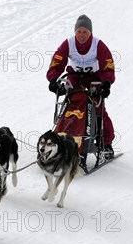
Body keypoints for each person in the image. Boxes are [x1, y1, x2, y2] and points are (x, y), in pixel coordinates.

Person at [46, 14, 116, 159]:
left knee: (98, 108)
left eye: (85, 32)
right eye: (79, 32)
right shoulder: (68, 44)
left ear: (91, 33)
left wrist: (107, 83)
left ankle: (105, 143)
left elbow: (108, 66)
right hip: (75, 77)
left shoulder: (99, 45)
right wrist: (53, 79)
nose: (82, 35)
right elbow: (57, 62)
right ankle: (65, 138)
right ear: (75, 32)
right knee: (71, 105)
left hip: (94, 78)